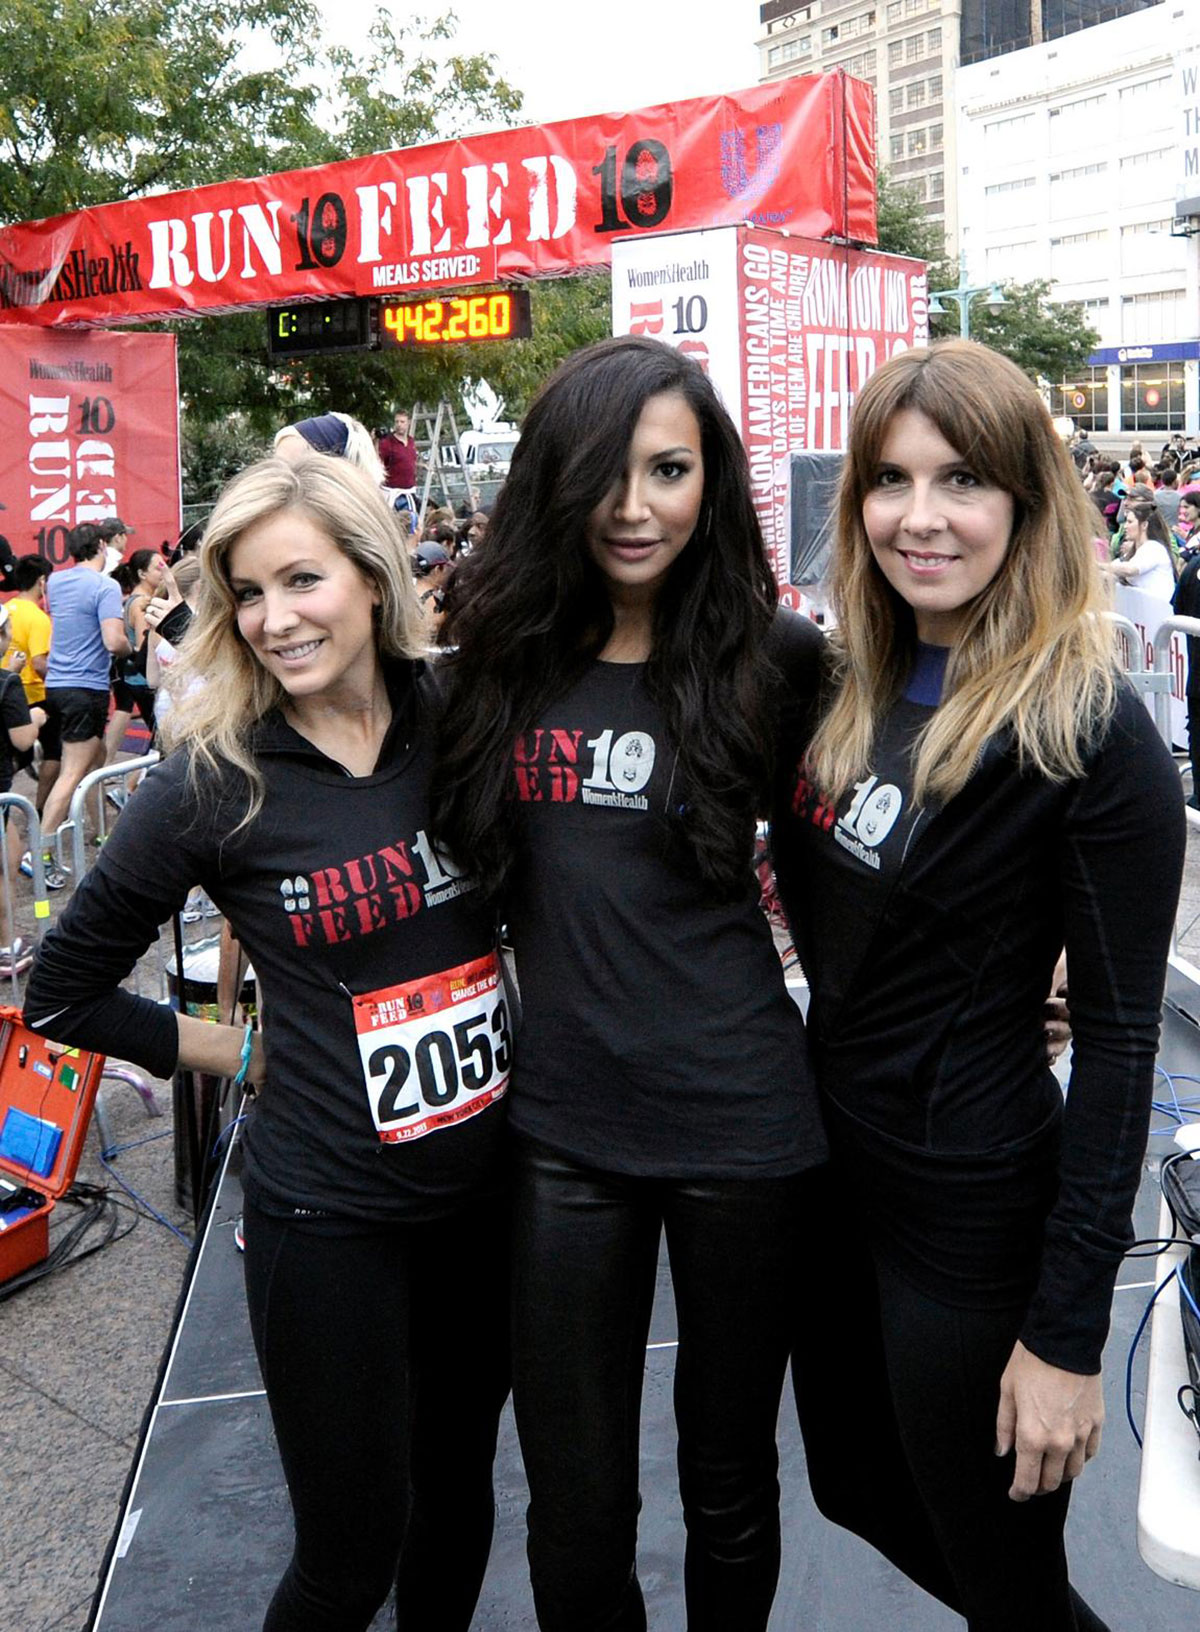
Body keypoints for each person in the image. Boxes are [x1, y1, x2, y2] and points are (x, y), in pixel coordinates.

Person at [23, 455, 510, 1632]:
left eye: (304, 579)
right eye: (248, 591)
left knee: (461, 1508)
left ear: (373, 576)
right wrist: (242, 1055)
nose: (276, 617)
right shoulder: (212, 776)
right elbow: (62, 991)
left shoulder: (461, 717)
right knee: (352, 1554)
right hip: (330, 1218)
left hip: (489, 1204)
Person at [772, 340, 1184, 1632]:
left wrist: (1064, 1336)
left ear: (1024, 498)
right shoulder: (853, 687)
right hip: (837, 1188)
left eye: (961, 479)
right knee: (850, 1488)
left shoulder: (1089, 727)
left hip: (972, 1213)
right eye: (890, 482)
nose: (921, 516)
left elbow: (1121, 1048)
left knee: (1007, 1584)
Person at [431, 335, 826, 1632]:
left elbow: (851, 892)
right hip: (561, 1135)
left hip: (747, 1129)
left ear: (710, 480)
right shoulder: (500, 660)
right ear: (560, 480)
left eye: (670, 470)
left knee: (729, 1483)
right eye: (609, 472)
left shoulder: (775, 659)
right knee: (576, 1500)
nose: (636, 504)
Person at [37, 522, 131, 887]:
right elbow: (112, 641)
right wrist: (132, 647)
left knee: (94, 762)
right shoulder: (105, 586)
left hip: (57, 686)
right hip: (85, 688)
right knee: (73, 773)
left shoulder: (56, 582)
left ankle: (101, 835)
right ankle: (41, 853)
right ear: (102, 546)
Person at [1103, 498, 1178, 598]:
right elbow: (1114, 568)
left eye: (1130, 522)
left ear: (1144, 525)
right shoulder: (1134, 552)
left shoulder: (1154, 548)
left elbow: (1129, 570)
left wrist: (1099, 565)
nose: (1125, 526)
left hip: (1157, 610)